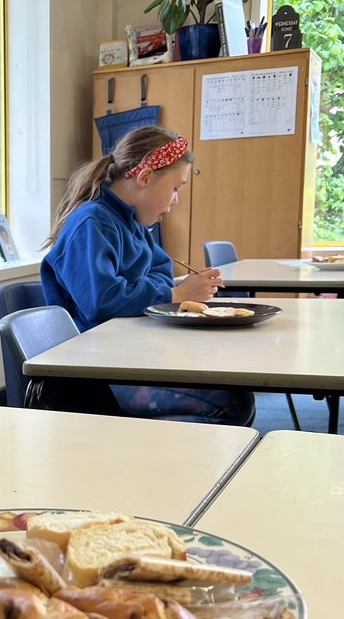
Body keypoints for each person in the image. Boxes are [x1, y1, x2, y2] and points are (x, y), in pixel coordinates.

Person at [40, 125, 254, 425]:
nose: (176, 199)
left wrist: (158, 290)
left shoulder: (134, 224)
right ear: (145, 177)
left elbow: (161, 270)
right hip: (91, 373)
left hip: (126, 355)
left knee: (236, 394)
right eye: (176, 188)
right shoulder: (91, 222)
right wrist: (174, 294)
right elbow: (102, 301)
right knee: (229, 403)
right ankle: (139, 452)